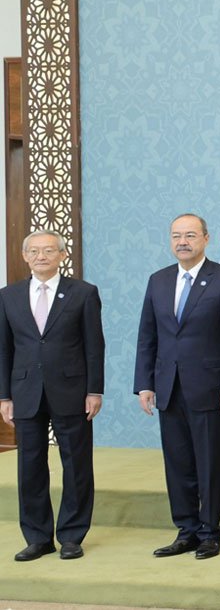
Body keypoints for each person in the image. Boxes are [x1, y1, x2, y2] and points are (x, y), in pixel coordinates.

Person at [135, 213, 220, 560]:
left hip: (212, 389)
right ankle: (186, 530)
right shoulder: (159, 280)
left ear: (205, 238)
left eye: (189, 235)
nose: (182, 242)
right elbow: (147, 336)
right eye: (176, 236)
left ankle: (210, 531)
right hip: (168, 387)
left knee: (209, 462)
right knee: (178, 463)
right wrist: (145, 384)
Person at [0, 230, 104, 562]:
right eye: (34, 251)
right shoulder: (8, 296)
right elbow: (4, 350)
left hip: (72, 391)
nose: (41, 256)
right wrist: (4, 396)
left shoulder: (83, 293)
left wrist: (94, 390)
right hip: (25, 391)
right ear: (24, 256)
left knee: (76, 464)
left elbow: (94, 347)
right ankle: (37, 537)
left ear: (62, 255)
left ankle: (72, 535)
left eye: (48, 250)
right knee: (30, 466)